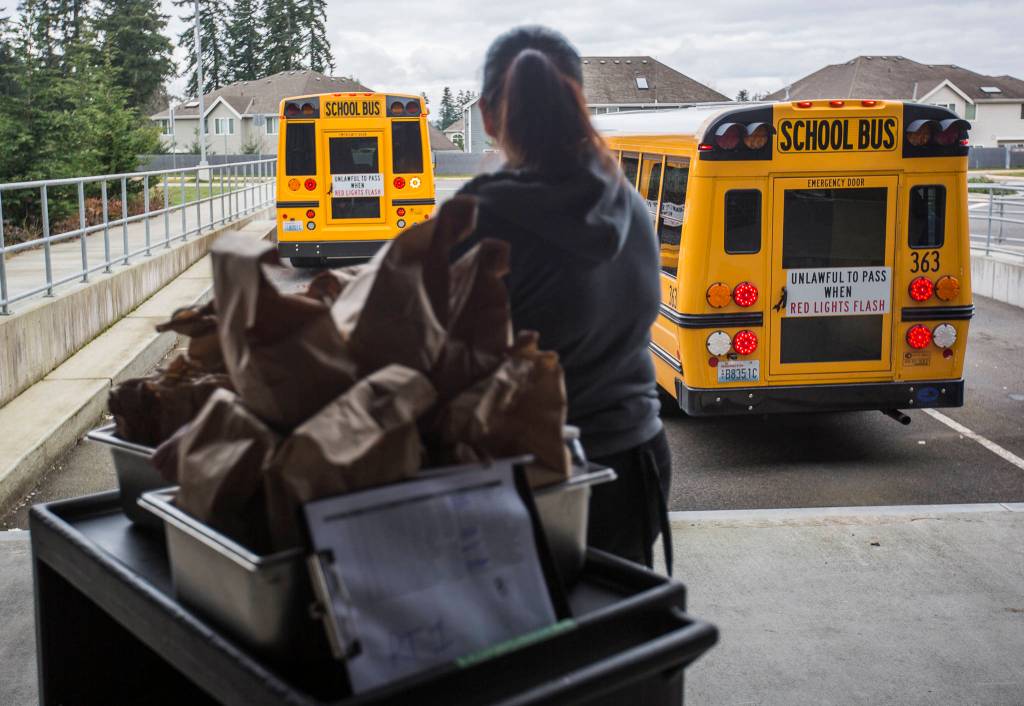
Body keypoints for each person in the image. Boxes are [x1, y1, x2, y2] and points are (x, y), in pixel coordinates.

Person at [454, 26, 672, 570]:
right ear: (579, 102)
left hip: (535, 476)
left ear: (487, 115)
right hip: (636, 455)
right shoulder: (629, 202)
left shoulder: (477, 220)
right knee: (619, 632)